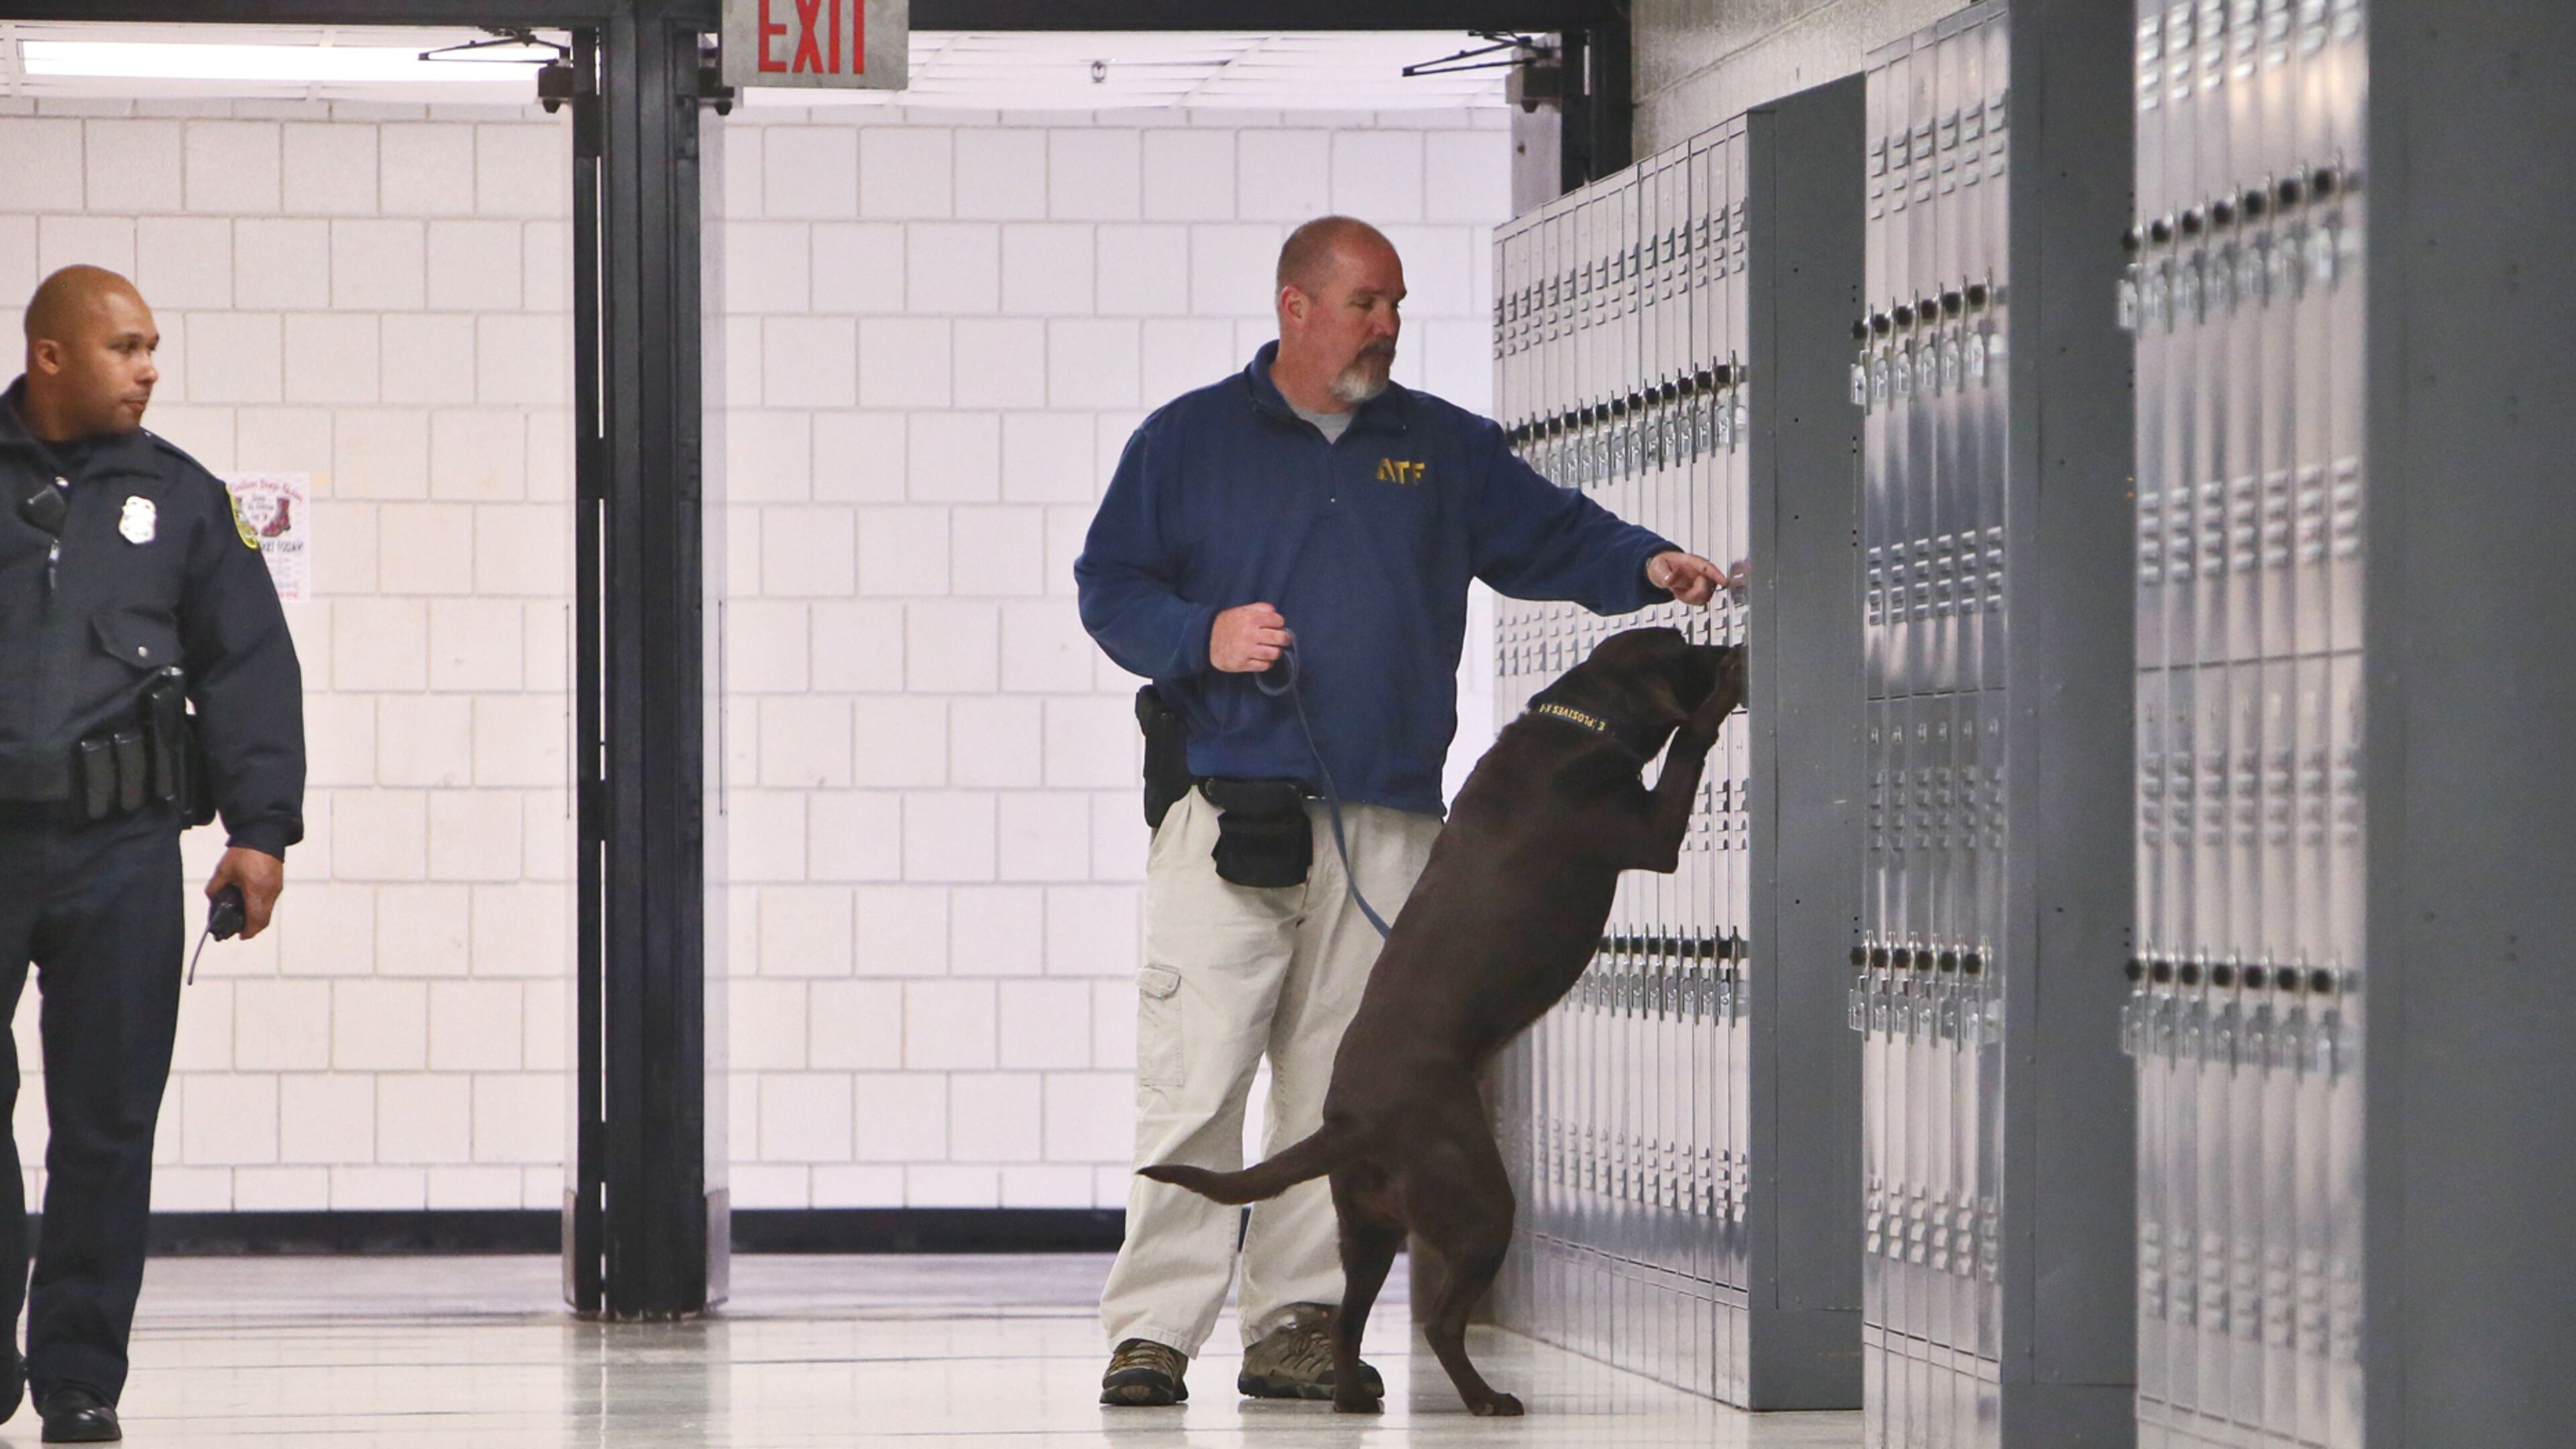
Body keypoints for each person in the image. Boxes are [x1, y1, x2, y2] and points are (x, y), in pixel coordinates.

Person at [1075, 217, 1733, 1407]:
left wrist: (1646, 565)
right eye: (1365, 303)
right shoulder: (1188, 441)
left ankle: (1298, 1323)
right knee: (1197, 1076)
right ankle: (1153, 1332)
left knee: (1350, 1087)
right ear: (1295, 306)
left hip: (1386, 823)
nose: (1386, 326)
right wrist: (1200, 636)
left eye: (1395, 305)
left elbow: (1554, 534)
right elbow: (1108, 584)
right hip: (1226, 810)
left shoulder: (1441, 447)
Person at [0, 267, 304, 1444]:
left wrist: (261, 832)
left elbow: (250, 671)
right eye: (127, 346)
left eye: (154, 347)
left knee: (108, 1124)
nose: (150, 368)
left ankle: (79, 1379)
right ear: (52, 355)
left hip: (119, 851)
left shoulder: (183, 500)